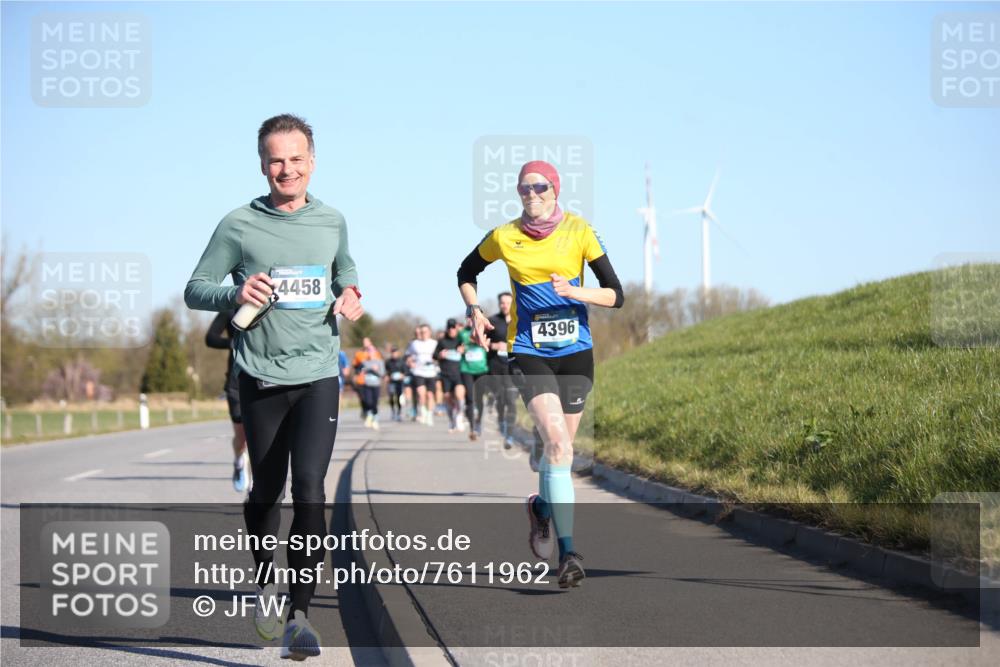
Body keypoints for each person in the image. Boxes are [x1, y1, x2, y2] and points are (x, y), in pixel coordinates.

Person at [185, 114, 364, 659]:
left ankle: (300, 615)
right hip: (260, 376)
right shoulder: (239, 224)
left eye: (295, 158)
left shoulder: (332, 219)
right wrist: (236, 295)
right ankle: (266, 579)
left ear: (312, 162)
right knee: (267, 489)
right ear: (263, 164)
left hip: (318, 375)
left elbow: (345, 270)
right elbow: (195, 289)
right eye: (275, 160)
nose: (286, 169)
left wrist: (351, 294)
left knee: (310, 488)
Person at [457, 160, 624, 589]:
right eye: (523, 188)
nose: (531, 194)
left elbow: (615, 294)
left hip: (576, 354)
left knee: (561, 452)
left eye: (540, 187)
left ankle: (541, 511)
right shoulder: (504, 236)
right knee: (555, 442)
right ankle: (569, 553)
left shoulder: (580, 230)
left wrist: (575, 291)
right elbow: (466, 271)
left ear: (556, 189)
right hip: (529, 351)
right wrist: (475, 311)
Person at [205, 308, 250, 492]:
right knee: (242, 437)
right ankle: (239, 463)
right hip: (236, 380)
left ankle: (254, 490)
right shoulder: (230, 307)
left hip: (263, 377)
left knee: (256, 437)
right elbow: (210, 338)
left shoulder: (269, 303)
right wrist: (233, 343)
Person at [486, 292, 518, 449]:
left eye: (507, 302)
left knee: (511, 401)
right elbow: (481, 342)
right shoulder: (492, 321)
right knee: (501, 400)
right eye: (502, 303)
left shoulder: (520, 318)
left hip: (514, 367)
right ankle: (501, 423)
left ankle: (510, 434)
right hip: (496, 366)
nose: (504, 305)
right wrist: (493, 345)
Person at [457, 322, 488, 440]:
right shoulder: (462, 333)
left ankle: (478, 422)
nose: (471, 320)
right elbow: (455, 345)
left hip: (481, 369)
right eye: (469, 318)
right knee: (470, 398)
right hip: (467, 369)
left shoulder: (485, 330)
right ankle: (472, 427)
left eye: (473, 317)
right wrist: (458, 348)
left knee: (479, 398)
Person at [435, 319, 465, 432]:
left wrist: (464, 350)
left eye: (453, 328)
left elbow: (470, 352)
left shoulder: (461, 340)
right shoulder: (442, 341)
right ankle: (451, 421)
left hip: (459, 373)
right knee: (447, 398)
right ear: (447, 329)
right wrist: (440, 355)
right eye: (450, 328)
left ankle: (459, 416)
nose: (452, 330)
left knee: (459, 395)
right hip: (445, 374)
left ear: (457, 328)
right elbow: (434, 355)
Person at [405, 324, 439, 425]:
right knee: (421, 393)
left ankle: (429, 414)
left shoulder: (435, 343)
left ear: (429, 332)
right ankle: (423, 411)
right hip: (418, 372)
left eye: (425, 332)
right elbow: (408, 356)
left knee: (430, 395)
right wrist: (410, 362)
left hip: (431, 372)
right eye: (422, 332)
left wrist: (436, 360)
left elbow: (439, 357)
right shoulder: (414, 343)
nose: (423, 334)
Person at [353, 337, 385, 429]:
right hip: (363, 381)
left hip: (375, 383)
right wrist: (358, 372)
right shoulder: (360, 355)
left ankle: (373, 416)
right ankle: (367, 413)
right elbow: (357, 367)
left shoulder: (378, 356)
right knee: (365, 400)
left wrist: (376, 370)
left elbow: (382, 371)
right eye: (363, 342)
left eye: (367, 342)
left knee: (374, 401)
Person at [385, 346, 407, 421]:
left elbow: (405, 371)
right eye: (392, 353)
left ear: (398, 353)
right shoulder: (388, 362)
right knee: (391, 396)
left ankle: (399, 412)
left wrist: (403, 375)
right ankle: (393, 411)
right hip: (391, 382)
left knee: (398, 397)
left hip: (399, 382)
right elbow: (385, 371)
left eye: (395, 353)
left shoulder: (401, 361)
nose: (394, 354)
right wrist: (387, 376)